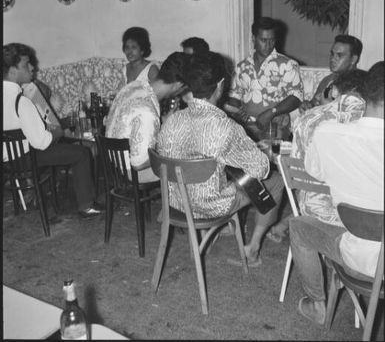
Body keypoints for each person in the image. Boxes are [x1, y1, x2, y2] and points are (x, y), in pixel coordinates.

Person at [156, 52, 285, 267]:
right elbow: (261, 169)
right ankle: (252, 249)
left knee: (223, 171)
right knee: (275, 182)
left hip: (175, 202)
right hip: (208, 207)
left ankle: (222, 229)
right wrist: (258, 151)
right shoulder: (225, 126)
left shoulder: (171, 120)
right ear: (221, 85)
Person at [289, 61, 384, 325]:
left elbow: (314, 172)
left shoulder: (328, 132)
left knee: (298, 226)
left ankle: (317, 305)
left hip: (360, 259)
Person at [3, 43, 103, 218]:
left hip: (6, 162)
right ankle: (87, 206)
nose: (32, 67)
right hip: (26, 160)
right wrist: (57, 131)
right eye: (26, 64)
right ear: (12, 71)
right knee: (81, 153)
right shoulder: (22, 102)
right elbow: (41, 142)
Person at [268, 69, 368, 240]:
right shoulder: (370, 122)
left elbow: (297, 169)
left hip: (312, 209)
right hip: (359, 214)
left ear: (334, 91)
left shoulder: (307, 118)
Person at [105, 52, 189, 183]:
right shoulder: (147, 110)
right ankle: (176, 203)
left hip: (114, 161)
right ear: (178, 84)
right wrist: (169, 149)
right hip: (133, 172)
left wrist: (164, 123)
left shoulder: (133, 86)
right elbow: (139, 163)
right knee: (188, 165)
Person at [225, 17, 304, 141]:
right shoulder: (242, 67)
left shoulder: (287, 64)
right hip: (246, 127)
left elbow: (297, 97)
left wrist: (271, 112)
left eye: (272, 40)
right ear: (253, 39)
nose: (268, 45)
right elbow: (235, 96)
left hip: (275, 125)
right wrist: (237, 113)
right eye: (263, 40)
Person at [300, 35, 363, 112]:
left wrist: (328, 106)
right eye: (332, 54)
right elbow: (313, 104)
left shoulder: (361, 83)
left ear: (353, 59)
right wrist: (308, 105)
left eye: (339, 55)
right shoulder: (328, 80)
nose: (333, 59)